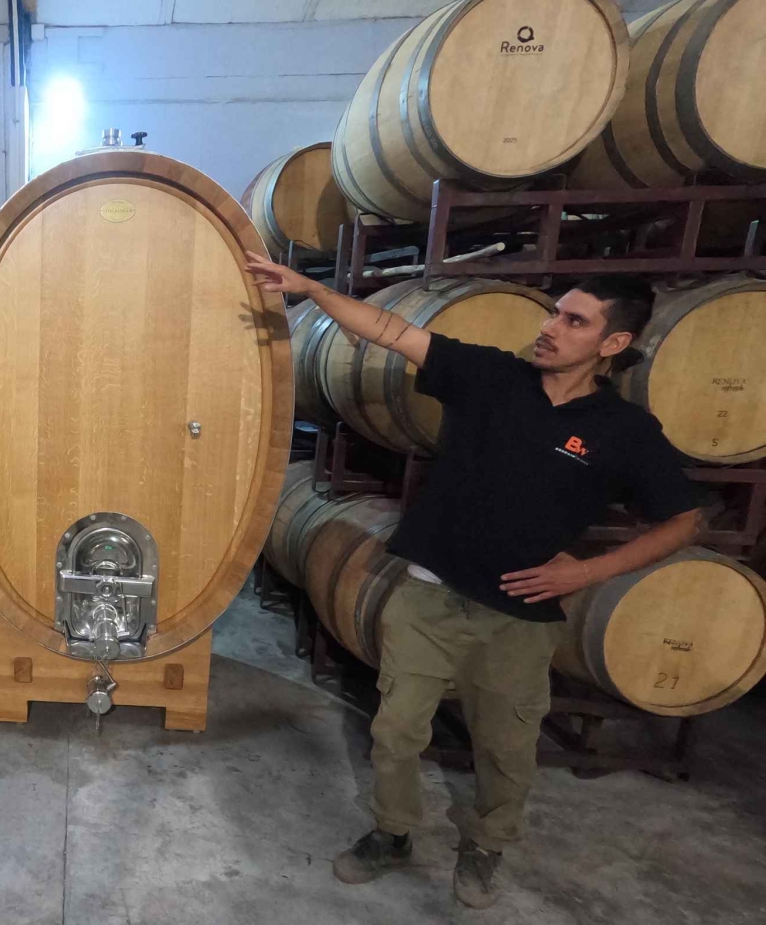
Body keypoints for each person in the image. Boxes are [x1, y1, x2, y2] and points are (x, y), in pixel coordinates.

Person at [247, 253, 701, 910]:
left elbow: (684, 519)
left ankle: (486, 844)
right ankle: (392, 831)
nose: (550, 327)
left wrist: (587, 570)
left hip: (518, 617)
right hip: (429, 593)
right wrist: (313, 288)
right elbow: (390, 330)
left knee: (506, 746)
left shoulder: (624, 430)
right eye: (554, 312)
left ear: (614, 343)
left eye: (574, 321)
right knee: (396, 730)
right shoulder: (491, 375)